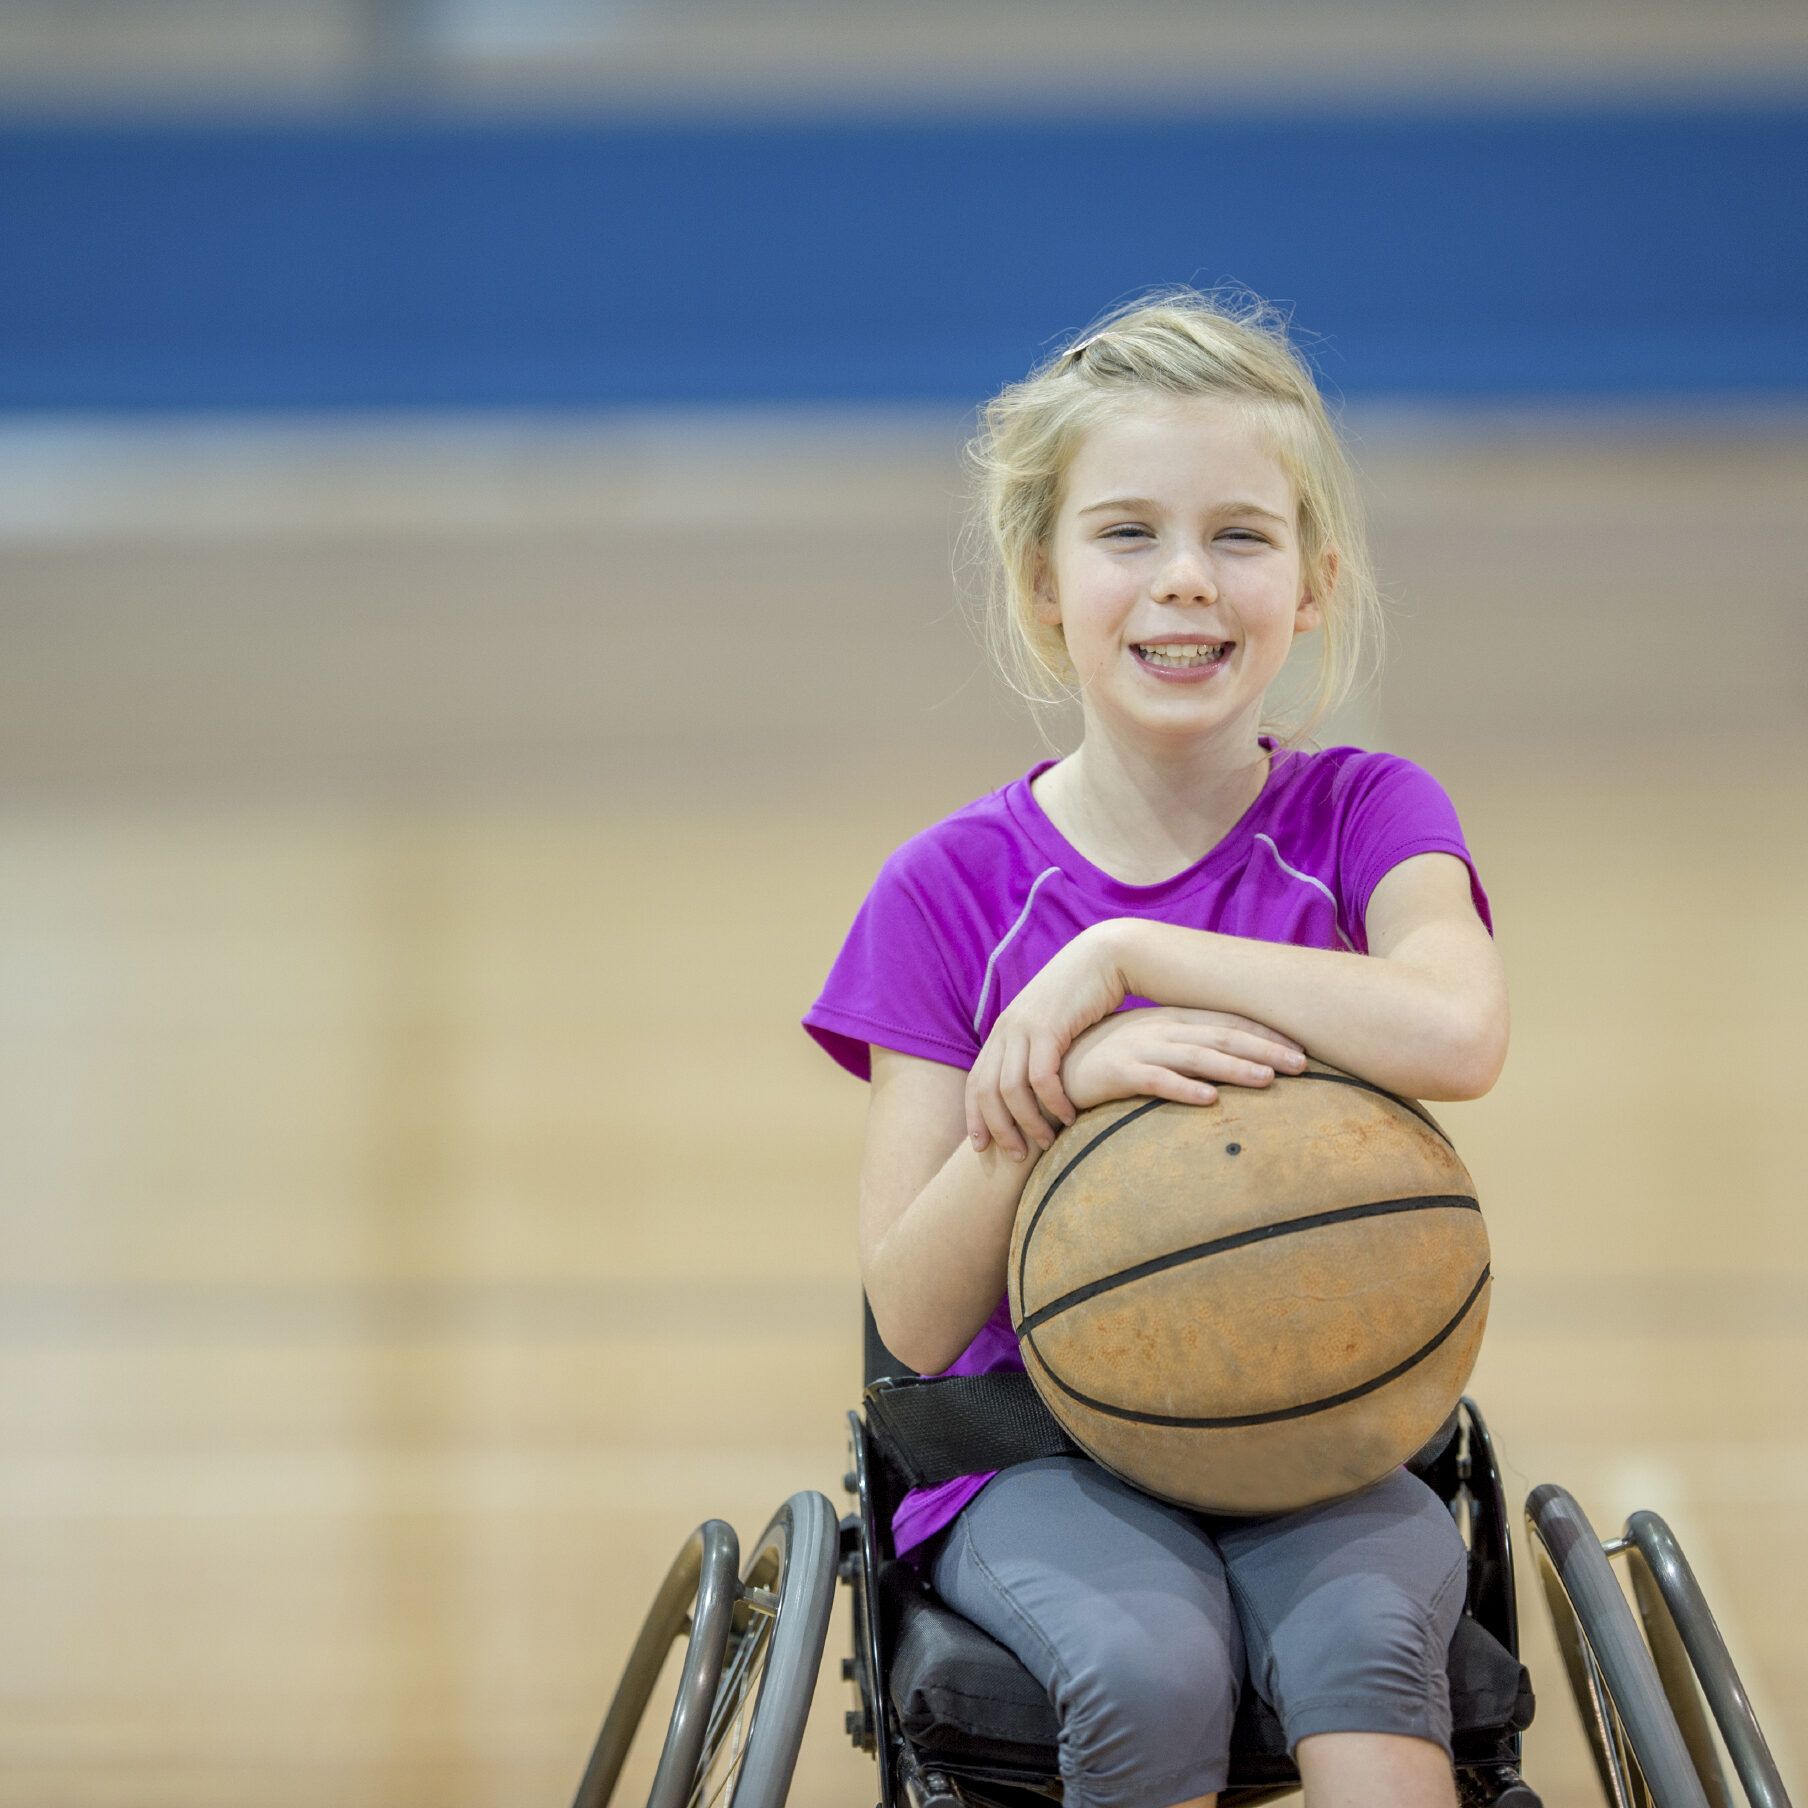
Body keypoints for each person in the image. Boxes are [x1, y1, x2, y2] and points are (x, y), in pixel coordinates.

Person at [803, 291, 1509, 1808]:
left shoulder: (1365, 821)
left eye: (1241, 537)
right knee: (1151, 1665)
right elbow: (915, 1323)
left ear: (1314, 585)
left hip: (1314, 1421)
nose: (1186, 581)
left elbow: (1458, 1029)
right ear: (1042, 585)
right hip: (1035, 1452)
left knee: (1375, 1649)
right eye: (1126, 533)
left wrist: (1124, 959)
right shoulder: (943, 891)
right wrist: (1052, 1112)